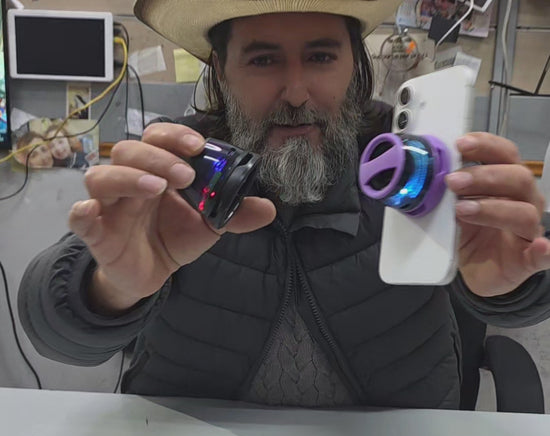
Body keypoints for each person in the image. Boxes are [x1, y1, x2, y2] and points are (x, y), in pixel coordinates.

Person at [17, 0, 550, 409]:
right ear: (221, 72)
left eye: (320, 57)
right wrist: (112, 290)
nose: (296, 91)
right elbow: (52, 330)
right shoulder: (178, 167)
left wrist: (513, 287)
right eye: (263, 59)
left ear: (354, 66)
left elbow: (525, 285)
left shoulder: (418, 164)